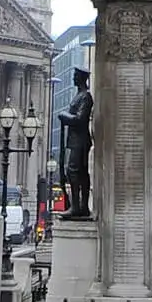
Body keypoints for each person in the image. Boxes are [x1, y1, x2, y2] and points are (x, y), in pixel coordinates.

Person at [57, 67, 93, 219]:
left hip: (80, 140)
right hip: (74, 140)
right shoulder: (78, 95)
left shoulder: (86, 96)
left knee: (75, 172)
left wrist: (64, 115)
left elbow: (79, 119)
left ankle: (78, 207)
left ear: (81, 78)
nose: (73, 78)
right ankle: (79, 206)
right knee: (78, 172)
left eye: (75, 76)